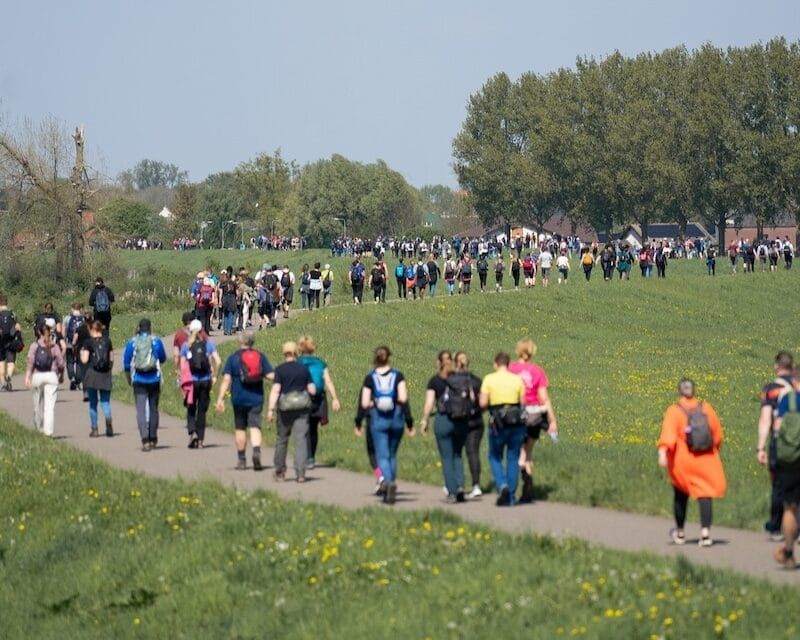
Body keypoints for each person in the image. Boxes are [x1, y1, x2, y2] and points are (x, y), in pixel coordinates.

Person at [658, 378, 726, 547]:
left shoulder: (674, 411)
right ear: (694, 391)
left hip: (683, 461)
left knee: (681, 495)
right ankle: (705, 534)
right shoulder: (707, 409)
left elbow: (668, 436)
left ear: (679, 392)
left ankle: (680, 533)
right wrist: (712, 450)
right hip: (705, 459)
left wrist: (663, 453)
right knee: (705, 494)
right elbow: (717, 436)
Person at [359, 346, 413, 504]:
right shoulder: (398, 375)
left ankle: (388, 481)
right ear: (389, 357)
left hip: (378, 418)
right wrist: (409, 421)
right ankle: (391, 481)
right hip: (396, 417)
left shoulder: (370, 377)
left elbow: (364, 402)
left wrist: (371, 407)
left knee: (382, 454)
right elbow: (403, 398)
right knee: (392, 454)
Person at [215, 331, 275, 471]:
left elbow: (226, 379)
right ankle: (256, 452)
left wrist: (220, 399)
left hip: (238, 398)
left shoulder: (233, 358)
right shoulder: (260, 356)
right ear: (252, 342)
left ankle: (242, 460)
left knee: (240, 428)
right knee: (255, 426)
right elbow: (271, 375)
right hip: (256, 397)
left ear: (239, 342)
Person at [509, 339, 558, 503]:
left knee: (516, 452)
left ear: (518, 351)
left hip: (517, 415)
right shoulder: (537, 371)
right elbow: (544, 398)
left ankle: (515, 486)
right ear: (532, 351)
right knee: (528, 452)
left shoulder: (511, 369)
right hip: (535, 416)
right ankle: (528, 488)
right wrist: (552, 420)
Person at [420, 351, 472, 503]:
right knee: (457, 454)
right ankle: (461, 485)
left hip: (443, 420)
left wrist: (425, 420)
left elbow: (429, 403)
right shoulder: (462, 378)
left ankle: (452, 491)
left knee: (446, 456)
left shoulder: (435, 381)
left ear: (439, 363)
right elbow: (471, 398)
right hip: (461, 420)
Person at [756, 352, 797, 540]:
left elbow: (765, 420)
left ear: (776, 366)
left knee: (779, 484)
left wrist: (760, 448)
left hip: (781, 443)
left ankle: (776, 526)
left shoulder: (772, 388)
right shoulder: (797, 386)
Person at [479, 352, 526, 506]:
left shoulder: (489, 379)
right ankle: (511, 497)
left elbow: (483, 403)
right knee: (513, 457)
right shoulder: (517, 380)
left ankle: (502, 485)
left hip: (498, 422)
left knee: (495, 456)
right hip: (516, 422)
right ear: (508, 364)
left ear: (495, 364)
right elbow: (523, 403)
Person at [267, 341, 316, 482]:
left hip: (285, 410)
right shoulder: (303, 369)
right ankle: (300, 473)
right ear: (296, 352)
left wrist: (270, 409)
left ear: (284, 353)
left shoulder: (280, 370)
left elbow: (276, 390)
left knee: (282, 439)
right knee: (301, 439)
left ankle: (280, 471)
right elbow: (312, 389)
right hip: (302, 409)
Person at [296, 335, 341, 469]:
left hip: (303, 397)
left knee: (303, 428)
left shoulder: (298, 362)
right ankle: (311, 458)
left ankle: (305, 456)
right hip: (319, 398)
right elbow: (328, 381)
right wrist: (335, 398)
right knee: (313, 429)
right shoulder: (320, 363)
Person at [769, 377, 800, 568]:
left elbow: (777, 427)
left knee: (790, 507)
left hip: (792, 460)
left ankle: (789, 553)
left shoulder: (789, 400)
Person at [123, 319, 168, 451]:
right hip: (154, 378)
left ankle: (144, 439)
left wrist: (128, 379)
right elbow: (163, 358)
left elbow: (126, 363)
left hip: (138, 379)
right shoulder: (156, 341)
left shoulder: (132, 342)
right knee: (154, 408)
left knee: (141, 410)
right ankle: (153, 437)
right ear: (150, 328)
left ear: (139, 328)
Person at [180, 319, 222, 449]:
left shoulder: (186, 346)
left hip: (191, 382)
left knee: (191, 408)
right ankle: (201, 440)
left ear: (190, 330)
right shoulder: (208, 344)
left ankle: (192, 431)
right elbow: (218, 361)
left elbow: (182, 367)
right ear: (202, 330)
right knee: (202, 411)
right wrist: (214, 375)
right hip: (205, 380)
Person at [24, 320, 64, 437]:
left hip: (37, 375)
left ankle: (38, 428)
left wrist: (27, 376)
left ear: (38, 332)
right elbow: (61, 363)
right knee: (49, 406)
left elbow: (30, 362)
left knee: (37, 404)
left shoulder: (35, 345)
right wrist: (61, 375)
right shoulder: (54, 345)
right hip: (51, 376)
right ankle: (48, 432)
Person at [454, 351, 485, 498]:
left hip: (458, 421)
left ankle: (456, 484)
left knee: (455, 452)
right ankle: (476, 485)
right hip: (476, 420)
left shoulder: (451, 380)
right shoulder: (477, 381)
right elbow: (484, 402)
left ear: (455, 363)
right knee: (473, 452)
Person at [79, 320, 114, 437]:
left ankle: (95, 429)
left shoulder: (88, 343)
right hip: (105, 375)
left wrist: (81, 353)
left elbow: (84, 360)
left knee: (93, 404)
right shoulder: (107, 341)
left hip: (92, 375)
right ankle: (108, 423)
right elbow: (111, 359)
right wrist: (109, 369)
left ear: (92, 330)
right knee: (105, 402)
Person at [0, 295, 23, 391]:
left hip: (0, 342)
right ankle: (9, 376)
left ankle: (2, 384)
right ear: (6, 303)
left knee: (1, 363)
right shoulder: (13, 314)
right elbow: (18, 327)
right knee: (11, 362)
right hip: (11, 341)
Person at [64, 303, 86, 391]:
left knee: (70, 361)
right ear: (80, 309)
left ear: (72, 309)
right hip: (81, 344)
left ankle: (71, 378)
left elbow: (63, 331)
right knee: (79, 362)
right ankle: (78, 381)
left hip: (69, 343)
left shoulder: (67, 318)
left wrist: (63, 342)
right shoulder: (84, 318)